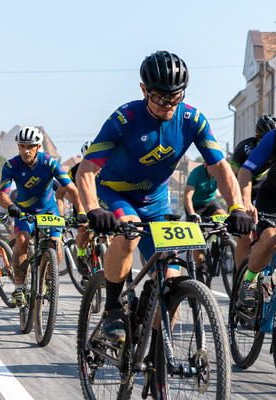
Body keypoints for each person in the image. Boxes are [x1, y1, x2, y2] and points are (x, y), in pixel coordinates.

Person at [75, 50, 253, 346]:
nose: (168, 104)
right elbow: (86, 169)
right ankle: (113, 308)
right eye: (159, 97)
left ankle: (157, 355)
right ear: (144, 90)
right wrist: (93, 208)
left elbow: (221, 167)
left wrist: (237, 207)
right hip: (115, 193)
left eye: (175, 97)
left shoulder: (192, 119)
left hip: (156, 201)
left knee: (170, 281)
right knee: (130, 234)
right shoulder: (124, 118)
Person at [0, 127, 79, 305]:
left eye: (30, 147)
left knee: (55, 244)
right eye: (22, 146)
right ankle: (19, 288)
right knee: (22, 240)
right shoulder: (11, 165)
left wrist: (81, 212)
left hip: (49, 210)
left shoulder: (49, 162)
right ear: (18, 147)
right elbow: (2, 195)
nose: (25, 151)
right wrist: (11, 206)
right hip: (23, 210)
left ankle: (50, 279)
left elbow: (71, 189)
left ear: (38, 147)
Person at [236, 117, 276, 310]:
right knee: (270, 240)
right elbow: (245, 171)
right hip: (271, 199)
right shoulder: (273, 137)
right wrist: (244, 201)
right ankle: (249, 281)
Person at [230, 114, 276, 267]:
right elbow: (234, 176)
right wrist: (242, 202)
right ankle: (243, 276)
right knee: (245, 236)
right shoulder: (246, 148)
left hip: (260, 184)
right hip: (242, 186)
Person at [183, 162, 227, 278]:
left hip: (210, 202)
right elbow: (187, 196)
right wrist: (192, 213)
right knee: (198, 238)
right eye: (211, 167)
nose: (214, 170)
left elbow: (228, 189)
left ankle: (222, 245)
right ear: (205, 164)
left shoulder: (220, 172)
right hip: (194, 206)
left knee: (222, 216)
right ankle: (199, 270)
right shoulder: (196, 173)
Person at [56, 141, 93, 275]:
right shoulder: (75, 170)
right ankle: (81, 255)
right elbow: (61, 192)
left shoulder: (107, 167)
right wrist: (77, 204)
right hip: (82, 205)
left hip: (101, 203)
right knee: (83, 231)